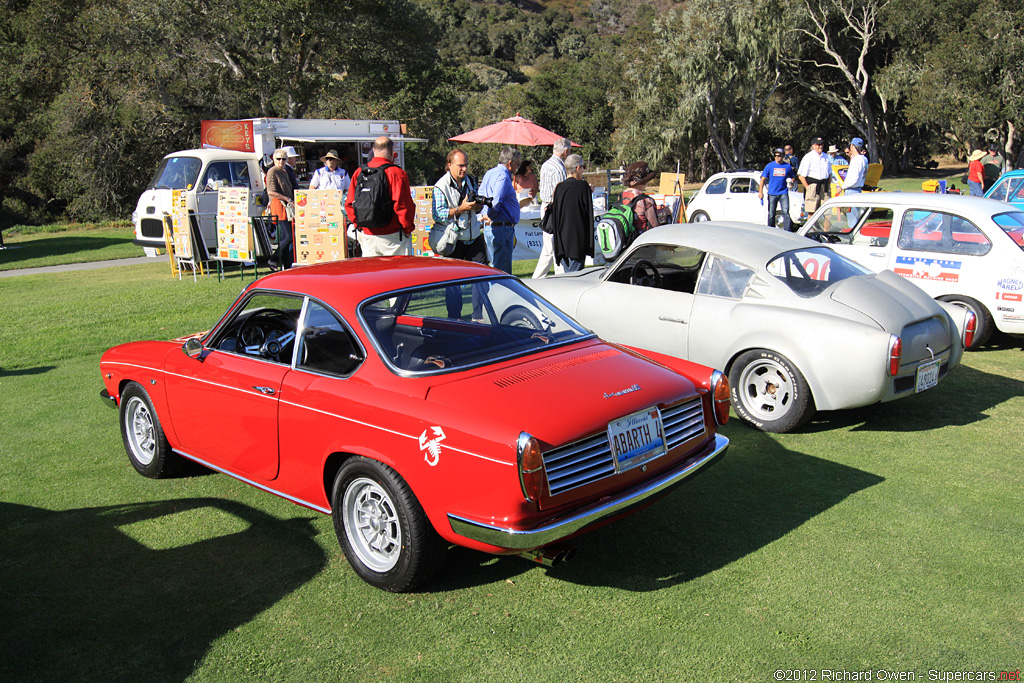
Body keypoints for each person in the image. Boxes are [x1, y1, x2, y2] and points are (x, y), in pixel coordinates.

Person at [430, 149, 487, 319]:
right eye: (460, 165)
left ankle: (478, 316)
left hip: (474, 236)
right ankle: (454, 318)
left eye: (466, 165)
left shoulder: (470, 180)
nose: (464, 169)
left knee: (480, 277)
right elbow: (437, 214)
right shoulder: (441, 186)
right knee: (453, 281)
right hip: (454, 240)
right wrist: (460, 209)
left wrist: (477, 207)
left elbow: (476, 208)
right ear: (449, 165)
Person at [344, 136, 416, 257]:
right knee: (398, 274)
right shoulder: (396, 173)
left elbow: (349, 203)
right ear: (392, 152)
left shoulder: (359, 172)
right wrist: (407, 228)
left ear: (373, 150)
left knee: (372, 274)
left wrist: (358, 224)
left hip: (367, 235)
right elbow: (403, 205)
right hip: (393, 236)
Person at [478, 146, 532, 273]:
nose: (518, 167)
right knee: (502, 269)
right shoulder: (502, 176)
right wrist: (491, 215)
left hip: (492, 227)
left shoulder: (489, 173)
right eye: (517, 164)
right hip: (501, 227)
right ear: (509, 163)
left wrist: (485, 215)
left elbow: (480, 196)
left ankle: (494, 290)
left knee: (495, 266)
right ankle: (500, 292)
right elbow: (496, 201)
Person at [532, 138, 572, 279]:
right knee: (554, 246)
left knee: (550, 246)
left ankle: (542, 278)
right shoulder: (560, 168)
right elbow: (561, 192)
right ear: (566, 151)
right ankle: (545, 278)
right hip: (554, 208)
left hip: (546, 206)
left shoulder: (546, 165)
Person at [550, 154, 594, 272]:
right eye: (583, 167)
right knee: (575, 275)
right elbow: (587, 213)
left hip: (562, 238)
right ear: (578, 168)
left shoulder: (559, 187)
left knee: (567, 274)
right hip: (577, 238)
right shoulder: (583, 186)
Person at [265, 148, 294, 270]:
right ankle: (273, 259)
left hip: (286, 207)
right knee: (288, 237)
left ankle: (286, 266)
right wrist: (287, 198)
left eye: (283, 159)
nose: (281, 161)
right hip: (279, 206)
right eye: (278, 159)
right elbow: (271, 191)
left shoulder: (284, 171)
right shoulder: (272, 171)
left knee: (286, 238)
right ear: (274, 159)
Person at [758, 149, 796, 230]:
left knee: (785, 212)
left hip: (783, 193)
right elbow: (763, 179)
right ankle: (771, 230)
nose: (777, 157)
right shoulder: (769, 166)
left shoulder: (787, 166)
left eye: (779, 156)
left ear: (783, 156)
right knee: (771, 214)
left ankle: (788, 231)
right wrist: (760, 192)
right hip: (772, 193)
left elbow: (793, 177)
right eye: (775, 156)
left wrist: (791, 182)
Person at [620, 161, 661, 232]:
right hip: (642, 239)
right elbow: (655, 226)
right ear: (644, 182)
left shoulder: (622, 196)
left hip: (626, 238)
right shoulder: (646, 201)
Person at [797, 137, 833, 213]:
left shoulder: (826, 156)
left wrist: (828, 185)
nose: (820, 146)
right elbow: (801, 176)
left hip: (825, 187)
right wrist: (808, 188)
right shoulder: (808, 157)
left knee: (828, 213)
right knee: (812, 212)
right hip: (813, 186)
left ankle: (825, 225)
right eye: (818, 144)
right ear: (813, 146)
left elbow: (829, 173)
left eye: (822, 144)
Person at [840, 138, 869, 228]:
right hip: (858, 189)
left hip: (851, 191)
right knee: (857, 217)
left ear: (852, 146)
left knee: (852, 220)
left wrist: (842, 186)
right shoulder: (864, 159)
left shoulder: (856, 160)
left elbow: (853, 178)